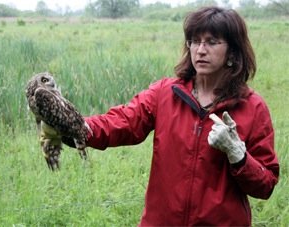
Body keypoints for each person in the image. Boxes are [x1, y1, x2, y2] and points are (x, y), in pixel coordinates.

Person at [64, 6, 279, 226]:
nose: (201, 50)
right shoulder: (165, 93)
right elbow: (120, 122)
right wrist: (70, 126)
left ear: (233, 52)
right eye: (195, 41)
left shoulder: (252, 107)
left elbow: (266, 184)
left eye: (212, 42)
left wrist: (238, 155)